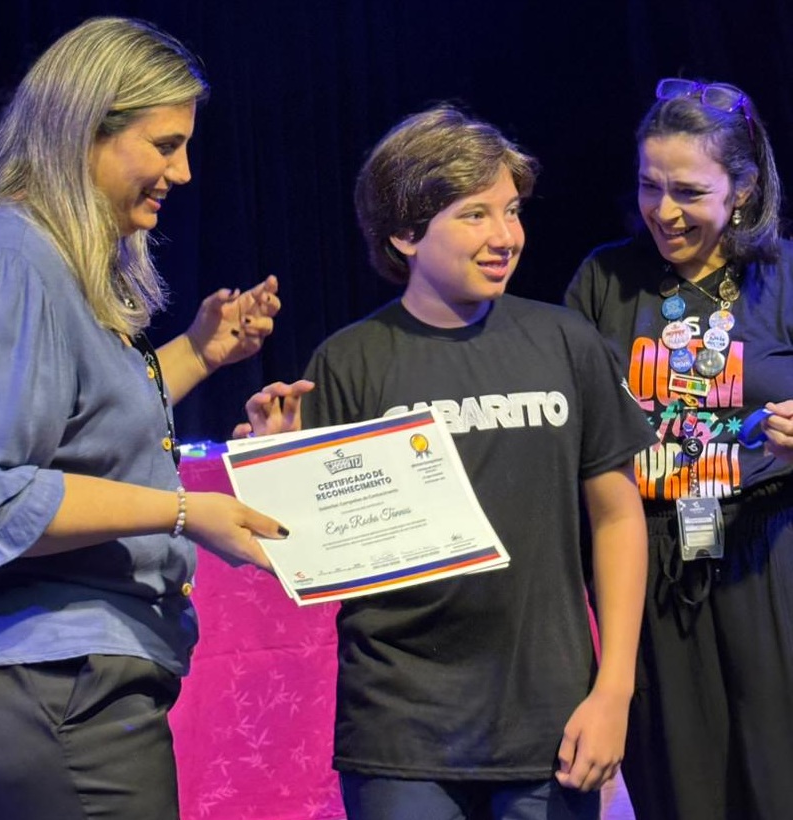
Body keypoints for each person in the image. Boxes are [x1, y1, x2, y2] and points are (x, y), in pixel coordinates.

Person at [0, 17, 292, 820]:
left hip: (59, 675)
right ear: (86, 128)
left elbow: (84, 429)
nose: (184, 172)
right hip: (42, 677)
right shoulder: (3, 261)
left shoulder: (46, 260)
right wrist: (184, 510)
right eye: (164, 145)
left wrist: (199, 353)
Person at [240, 105, 655, 820]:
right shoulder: (349, 361)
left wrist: (613, 690)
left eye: (512, 211)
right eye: (475, 215)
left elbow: (618, 518)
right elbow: (310, 557)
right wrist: (274, 470)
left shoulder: (567, 342)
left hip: (550, 726)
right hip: (400, 731)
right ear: (404, 233)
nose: (505, 236)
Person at [565, 78, 793, 820]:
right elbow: (561, 416)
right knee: (682, 788)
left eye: (689, 192)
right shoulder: (604, 281)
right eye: (649, 186)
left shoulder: (784, 277)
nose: (664, 211)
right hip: (650, 558)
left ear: (743, 189)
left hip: (771, 551)